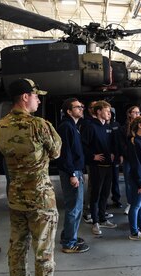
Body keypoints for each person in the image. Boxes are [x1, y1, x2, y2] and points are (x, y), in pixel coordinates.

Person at [0, 78, 62, 276]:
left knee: (17, 246)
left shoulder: (1, 125)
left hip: (16, 197)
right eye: (36, 96)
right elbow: (56, 152)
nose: (39, 101)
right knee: (43, 249)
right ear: (25, 97)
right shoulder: (39, 125)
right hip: (40, 199)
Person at [57, 98, 89, 253]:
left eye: (81, 106)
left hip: (76, 170)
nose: (81, 109)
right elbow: (65, 153)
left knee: (74, 207)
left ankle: (68, 236)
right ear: (69, 111)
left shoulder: (73, 126)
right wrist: (72, 174)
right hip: (72, 171)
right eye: (78, 107)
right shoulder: (66, 127)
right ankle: (69, 243)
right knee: (74, 208)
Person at [81, 100, 118, 236]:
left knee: (105, 194)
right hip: (97, 166)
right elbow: (82, 145)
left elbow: (112, 144)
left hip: (108, 166)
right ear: (98, 111)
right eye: (107, 111)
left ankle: (102, 218)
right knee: (95, 194)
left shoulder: (107, 127)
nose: (109, 113)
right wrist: (92, 156)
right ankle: (95, 221)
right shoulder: (90, 126)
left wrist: (114, 153)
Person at [117, 105, 141, 215]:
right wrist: (128, 154)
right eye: (135, 112)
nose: (137, 114)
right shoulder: (123, 128)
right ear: (129, 114)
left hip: (140, 159)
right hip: (128, 159)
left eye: (138, 112)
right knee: (128, 182)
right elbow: (122, 145)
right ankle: (130, 203)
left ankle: (139, 203)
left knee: (140, 181)